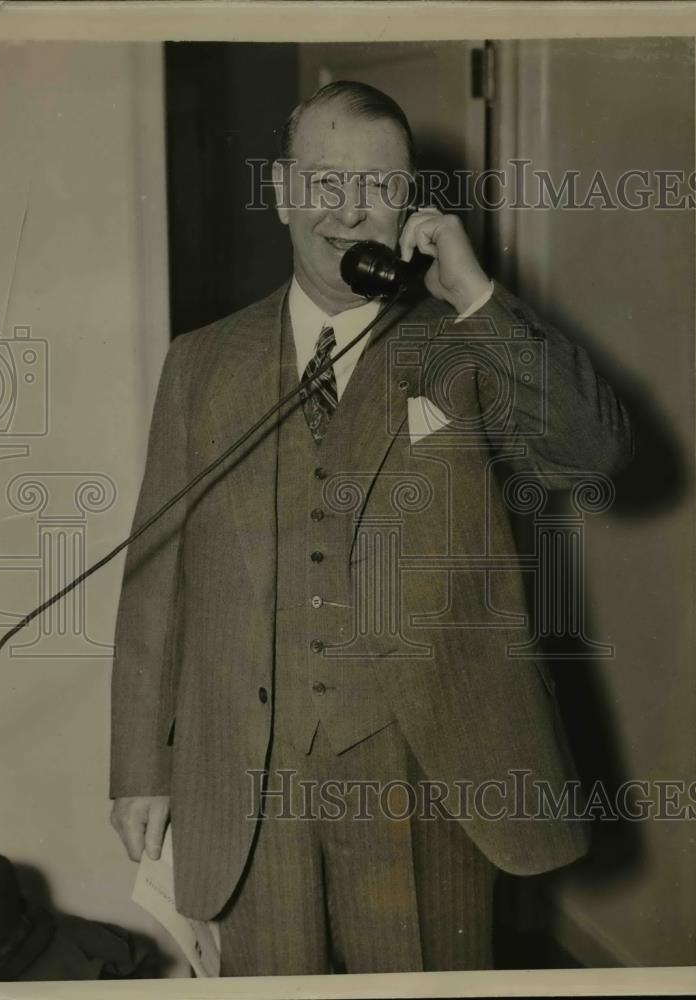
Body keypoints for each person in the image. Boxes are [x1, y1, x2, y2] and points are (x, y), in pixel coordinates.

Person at [109, 80, 633, 976]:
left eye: (378, 187)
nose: (347, 211)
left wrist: (475, 296)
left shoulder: (467, 342)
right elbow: (157, 579)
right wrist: (137, 768)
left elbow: (594, 454)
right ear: (280, 191)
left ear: (414, 204)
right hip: (247, 784)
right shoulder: (199, 365)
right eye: (322, 182)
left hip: (425, 777)